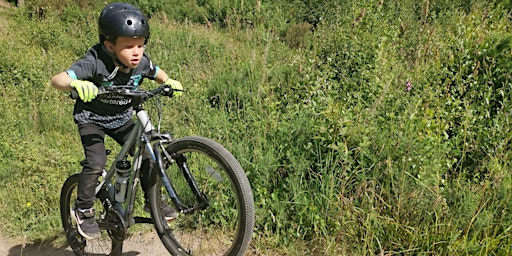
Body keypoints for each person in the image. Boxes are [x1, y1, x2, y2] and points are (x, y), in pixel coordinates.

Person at [51, 2, 182, 239]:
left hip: (121, 118)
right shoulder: (95, 61)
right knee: (96, 162)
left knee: (148, 153)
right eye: (129, 46)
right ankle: (83, 209)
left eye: (141, 45)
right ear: (109, 45)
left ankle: (153, 202)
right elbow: (57, 79)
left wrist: (168, 81)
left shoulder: (140, 61)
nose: (137, 52)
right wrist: (76, 84)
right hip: (92, 119)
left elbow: (154, 70)